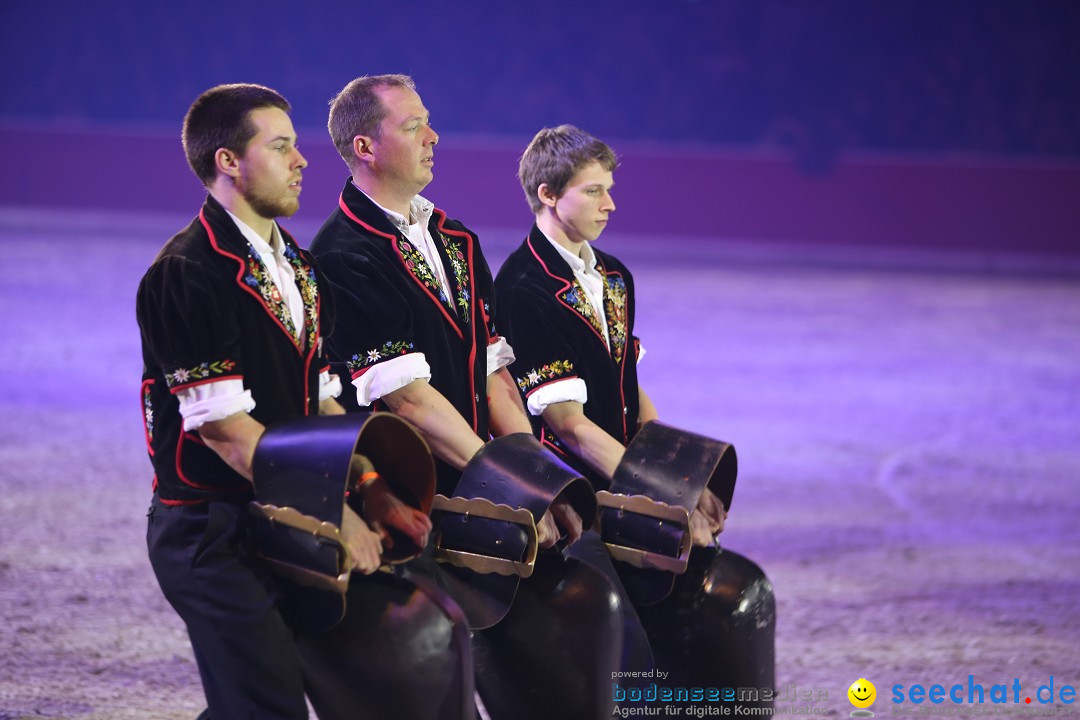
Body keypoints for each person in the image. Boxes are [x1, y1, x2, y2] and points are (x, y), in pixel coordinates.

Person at [309, 75, 642, 719]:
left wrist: (531, 477)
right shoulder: (343, 253)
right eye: (412, 127)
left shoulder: (457, 240)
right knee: (437, 667)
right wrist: (509, 488)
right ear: (365, 146)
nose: (433, 136)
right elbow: (407, 402)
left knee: (581, 617)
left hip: (473, 488)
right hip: (406, 503)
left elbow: (493, 372)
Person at [136, 83, 431, 719]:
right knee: (267, 706)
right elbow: (227, 434)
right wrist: (335, 514)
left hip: (280, 517)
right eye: (281, 146)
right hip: (213, 533)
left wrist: (372, 485)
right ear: (229, 162)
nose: (302, 161)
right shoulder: (187, 272)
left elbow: (320, 407)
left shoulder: (297, 266)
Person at [494, 125, 775, 696]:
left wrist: (682, 476)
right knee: (629, 651)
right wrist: (664, 498)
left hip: (626, 480)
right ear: (549, 195)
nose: (610, 203)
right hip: (579, 500)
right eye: (593, 191)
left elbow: (631, 384)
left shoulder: (615, 275)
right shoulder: (523, 287)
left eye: (609, 188)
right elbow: (568, 425)